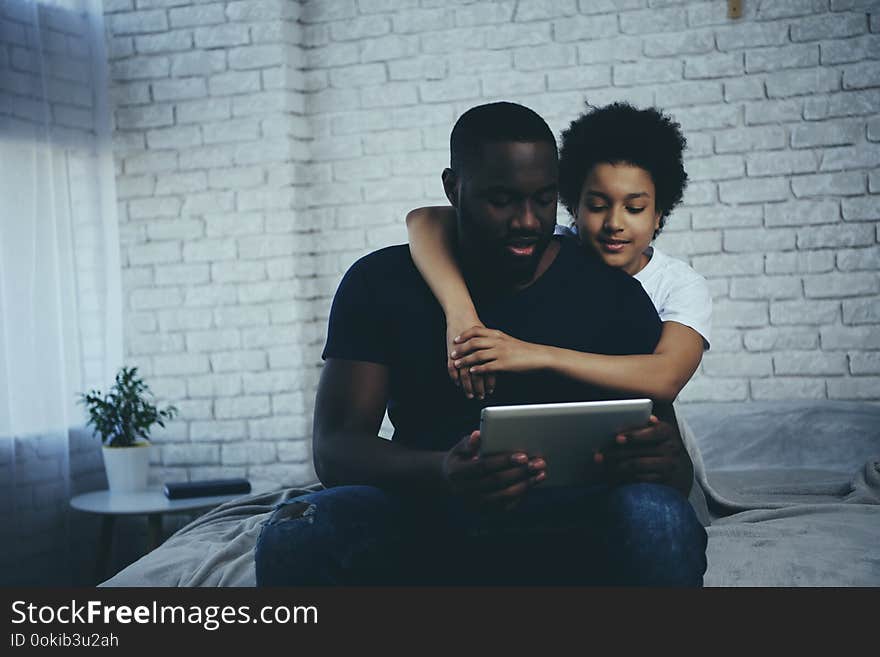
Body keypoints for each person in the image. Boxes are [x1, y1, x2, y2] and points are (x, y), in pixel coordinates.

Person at [254, 102, 707, 587]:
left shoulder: (612, 292)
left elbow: (675, 469)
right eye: (502, 200)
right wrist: (443, 470)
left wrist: (660, 463)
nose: (528, 221)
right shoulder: (381, 282)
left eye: (543, 199)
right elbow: (335, 449)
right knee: (294, 530)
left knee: (658, 518)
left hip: (573, 518)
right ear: (453, 189)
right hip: (429, 511)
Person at [406, 102, 712, 406]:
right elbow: (424, 220)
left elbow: (665, 378)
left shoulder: (678, 283)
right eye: (597, 205)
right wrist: (461, 315)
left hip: (650, 429)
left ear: (659, 213)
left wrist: (536, 354)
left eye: (634, 209)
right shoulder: (549, 243)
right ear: (572, 206)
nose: (614, 224)